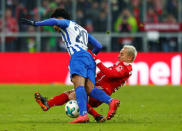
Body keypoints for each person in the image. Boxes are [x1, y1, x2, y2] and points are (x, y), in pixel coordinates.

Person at [21, 8, 120, 123]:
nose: (54, 27)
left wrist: (35, 23)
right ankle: (110, 101)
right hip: (89, 58)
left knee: (79, 86)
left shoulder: (66, 23)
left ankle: (83, 115)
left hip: (78, 57)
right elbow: (98, 46)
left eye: (54, 23)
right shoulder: (81, 29)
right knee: (90, 89)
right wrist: (89, 57)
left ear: (59, 18)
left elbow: (56, 22)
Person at [34, 45, 137, 122]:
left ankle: (108, 103)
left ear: (130, 57)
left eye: (122, 54)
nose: (118, 56)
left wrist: (96, 60)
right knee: (71, 92)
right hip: (97, 89)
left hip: (100, 91)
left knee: (74, 95)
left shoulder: (126, 67)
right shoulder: (121, 65)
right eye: (119, 53)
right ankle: (48, 104)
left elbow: (109, 74)